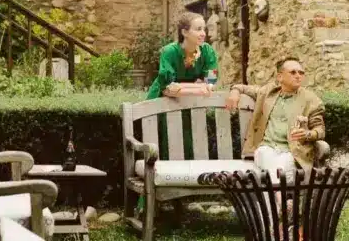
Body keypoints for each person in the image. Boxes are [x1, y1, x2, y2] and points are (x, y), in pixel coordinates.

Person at [227, 57, 324, 240]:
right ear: (280, 77)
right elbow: (242, 87)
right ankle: (282, 207)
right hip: (265, 148)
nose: (298, 76)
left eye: (301, 72)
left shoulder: (311, 100)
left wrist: (308, 135)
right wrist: (234, 91)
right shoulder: (267, 93)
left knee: (270, 176)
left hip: (291, 152)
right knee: (267, 158)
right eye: (293, 72)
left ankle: (269, 231)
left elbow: (320, 130)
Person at [137, 12, 219, 215]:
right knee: (160, 146)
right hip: (161, 104)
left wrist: (200, 88)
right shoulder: (169, 52)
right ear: (184, 32)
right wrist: (197, 88)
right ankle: (146, 204)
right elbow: (167, 87)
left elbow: (211, 82)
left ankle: (179, 203)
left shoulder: (208, 51)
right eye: (198, 29)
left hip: (187, 103)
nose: (203, 33)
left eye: (204, 29)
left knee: (186, 146)